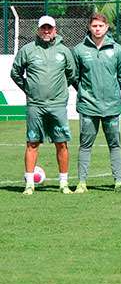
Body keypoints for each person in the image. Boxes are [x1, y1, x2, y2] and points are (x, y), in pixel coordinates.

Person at [11, 15, 77, 195]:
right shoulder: (28, 50)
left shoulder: (64, 50)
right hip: (35, 105)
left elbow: (72, 75)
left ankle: (63, 183)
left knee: (61, 143)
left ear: (55, 30)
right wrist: (29, 89)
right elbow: (15, 73)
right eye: (43, 28)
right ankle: (29, 184)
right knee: (32, 143)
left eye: (50, 28)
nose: (46, 31)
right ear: (38, 30)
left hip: (57, 106)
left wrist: (60, 91)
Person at [72, 13, 121, 193]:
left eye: (100, 26)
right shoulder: (79, 49)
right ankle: (82, 182)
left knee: (115, 144)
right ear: (89, 27)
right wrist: (85, 92)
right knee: (85, 145)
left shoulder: (118, 49)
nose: (97, 29)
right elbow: (75, 76)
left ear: (106, 28)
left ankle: (118, 181)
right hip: (88, 106)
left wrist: (110, 92)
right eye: (94, 26)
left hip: (111, 106)